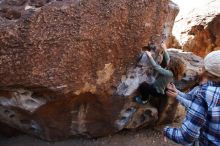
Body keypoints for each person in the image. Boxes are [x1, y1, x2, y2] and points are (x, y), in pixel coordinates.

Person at [164, 50, 220, 146]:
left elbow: (185, 137)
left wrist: (165, 130)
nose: (199, 68)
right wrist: (177, 91)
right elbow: (191, 99)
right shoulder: (208, 88)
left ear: (208, 72)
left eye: (203, 67)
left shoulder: (206, 92)